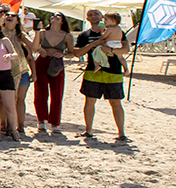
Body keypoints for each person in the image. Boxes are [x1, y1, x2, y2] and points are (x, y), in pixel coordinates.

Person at [76, 9, 129, 142]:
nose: (93, 16)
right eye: (90, 14)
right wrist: (93, 44)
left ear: (102, 17)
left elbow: (126, 49)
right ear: (87, 19)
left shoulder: (117, 31)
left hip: (114, 71)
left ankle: (121, 133)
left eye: (97, 14)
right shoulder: (84, 35)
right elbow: (77, 52)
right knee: (90, 101)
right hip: (92, 72)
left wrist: (110, 49)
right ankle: (88, 130)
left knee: (116, 102)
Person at [30, 12, 74, 135]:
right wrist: (39, 44)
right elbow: (34, 47)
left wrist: (63, 54)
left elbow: (71, 53)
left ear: (62, 21)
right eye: (52, 15)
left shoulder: (67, 36)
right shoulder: (42, 33)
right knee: (41, 92)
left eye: (58, 16)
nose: (54, 17)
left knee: (57, 93)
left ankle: (55, 123)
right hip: (42, 62)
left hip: (57, 64)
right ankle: (41, 121)